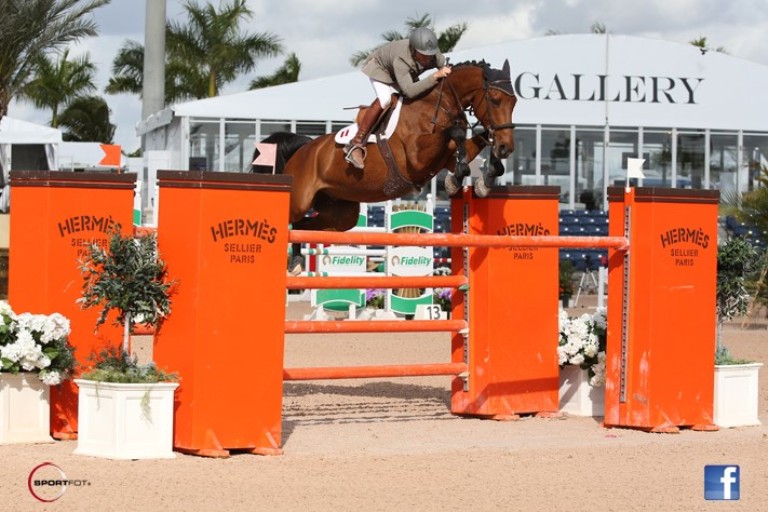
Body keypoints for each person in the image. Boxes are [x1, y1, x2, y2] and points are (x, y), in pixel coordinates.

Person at [344, 27, 452, 170]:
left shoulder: (431, 52)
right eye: (423, 55)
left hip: (404, 76)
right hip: (381, 70)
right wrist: (435, 76)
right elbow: (409, 91)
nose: (427, 59)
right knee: (385, 99)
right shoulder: (401, 58)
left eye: (429, 55)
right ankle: (356, 143)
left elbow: (446, 70)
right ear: (413, 50)